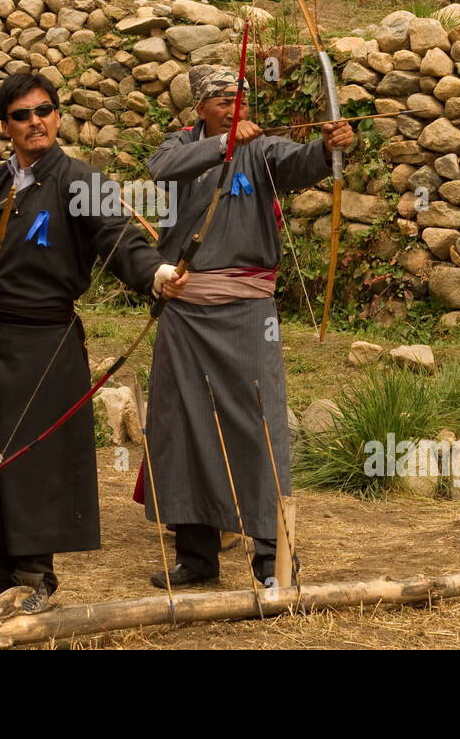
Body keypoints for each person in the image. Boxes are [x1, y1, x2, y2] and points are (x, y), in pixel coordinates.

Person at [0, 73, 186, 615]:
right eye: (21, 115)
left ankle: (34, 579)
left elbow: (118, 238)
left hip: (44, 340)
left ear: (57, 117)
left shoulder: (82, 180)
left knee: (35, 460)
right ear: (4, 127)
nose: (35, 121)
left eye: (44, 111)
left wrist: (157, 274)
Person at [142, 64, 354, 589]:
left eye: (239, 98)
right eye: (222, 101)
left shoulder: (261, 150)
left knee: (258, 427)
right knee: (183, 423)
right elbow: (161, 169)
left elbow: (302, 162)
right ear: (200, 108)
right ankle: (197, 557)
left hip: (247, 315)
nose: (235, 107)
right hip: (185, 311)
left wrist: (331, 149)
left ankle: (270, 558)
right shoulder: (180, 145)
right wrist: (221, 145)